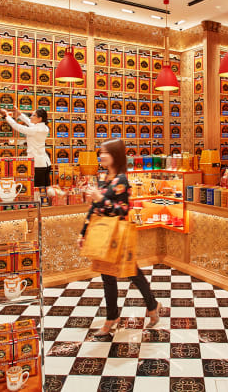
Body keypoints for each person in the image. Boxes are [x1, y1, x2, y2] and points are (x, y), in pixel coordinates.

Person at [77, 139, 161, 337]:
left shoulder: (122, 180)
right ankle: (112, 317)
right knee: (108, 276)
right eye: (101, 152)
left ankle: (152, 305)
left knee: (132, 272)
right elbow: (94, 208)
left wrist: (101, 199)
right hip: (103, 233)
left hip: (117, 234)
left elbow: (122, 210)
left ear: (115, 155)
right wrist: (83, 231)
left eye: (105, 152)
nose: (101, 155)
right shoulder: (104, 177)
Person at [0, 108, 51, 187]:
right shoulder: (44, 128)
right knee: (45, 188)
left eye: (33, 115)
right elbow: (30, 123)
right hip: (45, 163)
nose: (31, 117)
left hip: (37, 165)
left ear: (40, 119)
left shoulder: (35, 130)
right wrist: (20, 115)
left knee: (37, 189)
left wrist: (6, 116)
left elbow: (17, 127)